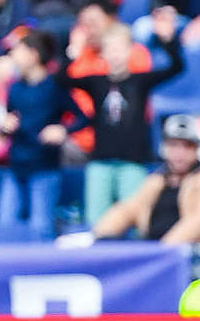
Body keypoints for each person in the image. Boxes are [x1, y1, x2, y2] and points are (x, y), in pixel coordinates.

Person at [70, 11, 183, 224]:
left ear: (131, 50)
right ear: (102, 52)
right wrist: (74, 52)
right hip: (101, 161)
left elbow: (176, 68)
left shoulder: (140, 82)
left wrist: (169, 40)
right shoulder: (96, 82)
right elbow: (62, 79)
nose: (115, 54)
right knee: (97, 221)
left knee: (136, 217)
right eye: (109, 48)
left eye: (120, 48)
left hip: (132, 161)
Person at [0, 30, 88, 238]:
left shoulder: (54, 87)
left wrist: (64, 130)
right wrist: (6, 125)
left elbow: (83, 117)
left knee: (41, 228)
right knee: (4, 225)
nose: (13, 57)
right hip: (16, 166)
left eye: (17, 51)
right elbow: (10, 120)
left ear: (33, 54)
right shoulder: (15, 88)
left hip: (45, 168)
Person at [93, 113, 200, 244]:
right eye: (173, 145)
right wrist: (100, 235)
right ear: (164, 147)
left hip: (193, 255)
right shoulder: (157, 180)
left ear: (197, 149)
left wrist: (165, 249)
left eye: (187, 146)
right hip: (154, 252)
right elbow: (128, 209)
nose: (180, 153)